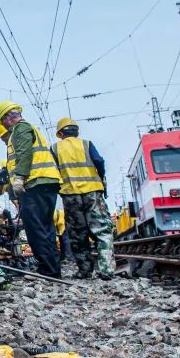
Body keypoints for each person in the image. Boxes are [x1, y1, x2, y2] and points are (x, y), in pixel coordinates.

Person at [0, 102, 62, 279]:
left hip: (35, 183)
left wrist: (19, 177)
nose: (4, 127)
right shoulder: (28, 128)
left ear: (7, 118)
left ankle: (47, 269)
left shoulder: (21, 128)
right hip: (46, 182)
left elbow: (25, 153)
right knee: (46, 226)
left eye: (3, 123)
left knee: (34, 228)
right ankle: (52, 269)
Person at [51, 118, 114, 280]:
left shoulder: (55, 148)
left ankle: (85, 270)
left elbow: (53, 171)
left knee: (77, 234)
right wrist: (101, 177)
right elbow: (99, 161)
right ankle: (106, 269)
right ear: (77, 131)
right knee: (102, 230)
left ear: (61, 133)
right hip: (93, 192)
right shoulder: (87, 144)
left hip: (70, 195)